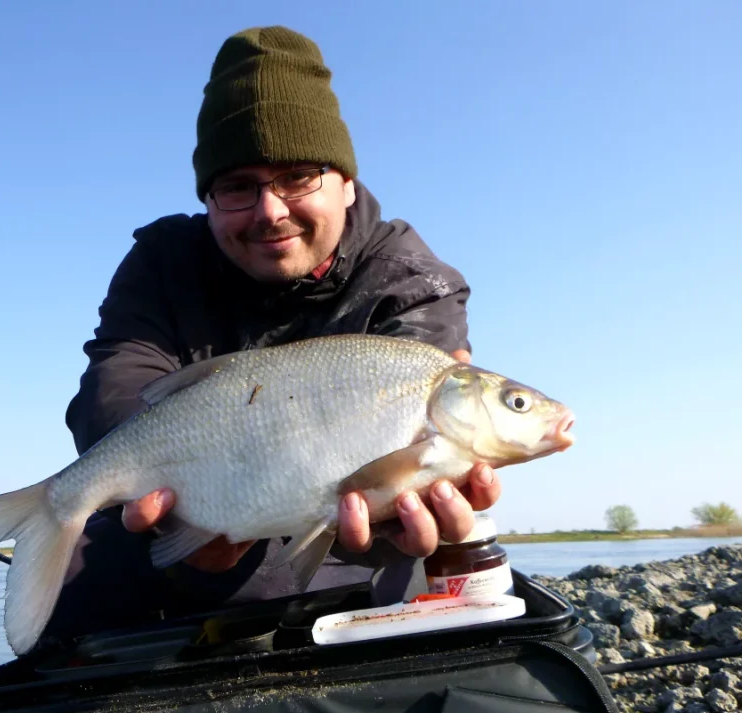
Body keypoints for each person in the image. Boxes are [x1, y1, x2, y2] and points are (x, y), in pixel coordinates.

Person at [39, 25, 502, 644]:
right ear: (208, 199)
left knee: (431, 543)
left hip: (347, 546)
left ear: (346, 183)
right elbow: (115, 384)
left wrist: (402, 507)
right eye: (237, 186)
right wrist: (186, 502)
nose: (269, 211)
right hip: (191, 517)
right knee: (80, 577)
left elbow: (425, 448)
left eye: (298, 176)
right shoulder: (163, 261)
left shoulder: (411, 280)